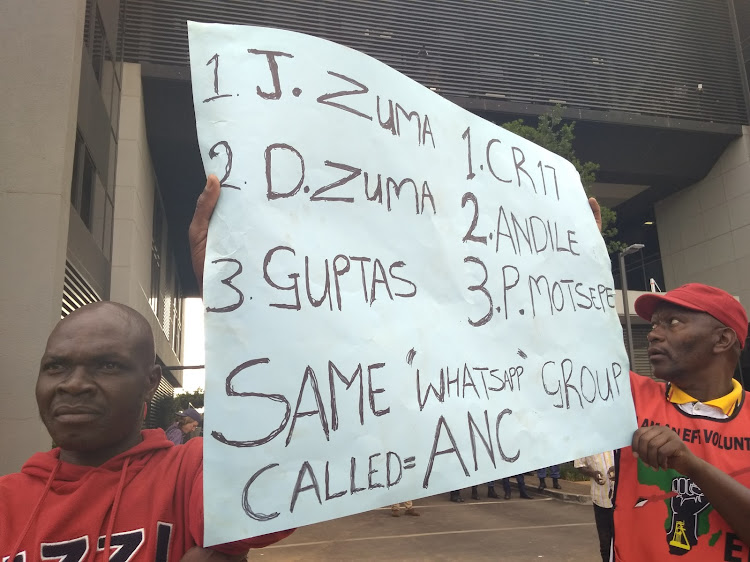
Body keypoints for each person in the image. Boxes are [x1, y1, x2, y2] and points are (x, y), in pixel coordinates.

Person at [0, 301, 292, 561]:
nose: (74, 384)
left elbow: (265, 506)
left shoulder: (190, 472)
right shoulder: (7, 499)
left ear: (151, 382)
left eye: (108, 365)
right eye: (56, 367)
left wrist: (244, 304)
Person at [575, 451, 615, 562]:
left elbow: (632, 460)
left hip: (623, 498)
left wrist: (619, 469)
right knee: (605, 543)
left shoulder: (618, 438)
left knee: (623, 540)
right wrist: (593, 473)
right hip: (601, 500)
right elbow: (579, 466)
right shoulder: (586, 443)